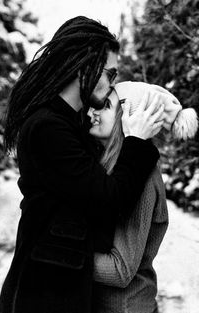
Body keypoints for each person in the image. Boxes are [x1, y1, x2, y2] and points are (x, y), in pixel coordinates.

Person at [0, 17, 164, 313]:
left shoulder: (68, 123)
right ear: (83, 66)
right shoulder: (48, 127)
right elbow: (108, 200)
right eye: (109, 74)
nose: (113, 83)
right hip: (42, 294)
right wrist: (137, 141)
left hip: (60, 290)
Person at [87, 82, 198, 313]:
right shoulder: (111, 168)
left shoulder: (141, 179)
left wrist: (59, 256)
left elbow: (120, 270)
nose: (92, 111)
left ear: (129, 118)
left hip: (125, 307)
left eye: (105, 106)